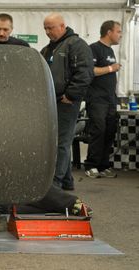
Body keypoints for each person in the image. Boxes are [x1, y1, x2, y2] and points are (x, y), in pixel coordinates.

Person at [40, 13, 94, 190]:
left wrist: (71, 96)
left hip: (67, 102)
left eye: (51, 28)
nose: (47, 32)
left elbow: (85, 73)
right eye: (45, 28)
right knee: (60, 141)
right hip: (53, 102)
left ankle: (55, 183)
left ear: (62, 26)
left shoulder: (77, 45)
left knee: (60, 142)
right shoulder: (49, 49)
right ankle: (66, 181)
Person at [84, 21, 122, 179]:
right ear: (109, 32)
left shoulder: (110, 51)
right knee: (98, 131)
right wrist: (111, 68)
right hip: (97, 99)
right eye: (118, 32)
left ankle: (103, 165)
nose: (120, 35)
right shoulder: (94, 48)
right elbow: (90, 71)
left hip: (110, 99)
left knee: (109, 131)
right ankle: (91, 166)